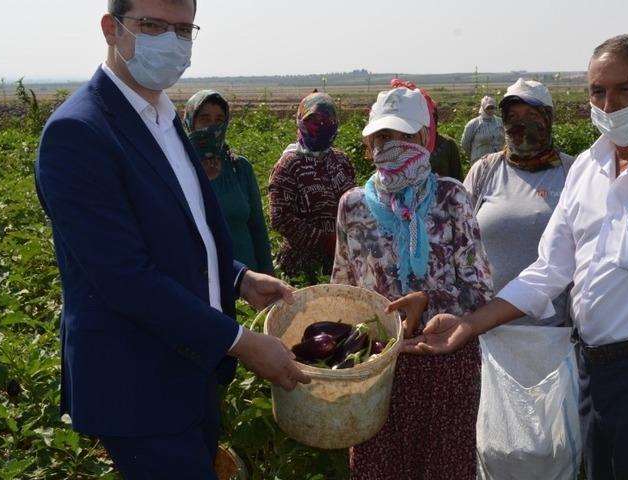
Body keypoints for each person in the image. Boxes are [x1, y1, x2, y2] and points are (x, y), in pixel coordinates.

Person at [404, 34, 628, 480]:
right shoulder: (589, 169)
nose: (609, 104)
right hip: (590, 372)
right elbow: (550, 270)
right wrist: (469, 324)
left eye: (624, 89)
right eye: (597, 91)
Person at [34, 1, 310, 477]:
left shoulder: (162, 115)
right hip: (138, 382)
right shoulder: (78, 132)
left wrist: (238, 278)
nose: (170, 41)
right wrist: (240, 341)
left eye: (183, 29)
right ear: (111, 29)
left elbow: (182, 232)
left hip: (190, 366)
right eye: (152, 25)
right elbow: (124, 278)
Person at [331, 86, 493, 479]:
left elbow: (481, 292)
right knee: (376, 469)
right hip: (379, 366)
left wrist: (429, 300)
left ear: (425, 138)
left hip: (446, 363)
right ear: (369, 142)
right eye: (384, 137)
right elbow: (343, 293)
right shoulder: (352, 205)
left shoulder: (452, 197)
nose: (394, 146)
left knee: (444, 469)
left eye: (405, 137)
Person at [464, 78, 573, 325]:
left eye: (530, 113)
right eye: (512, 114)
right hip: (485, 327)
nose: (519, 122)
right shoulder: (484, 171)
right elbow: (459, 239)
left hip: (553, 330)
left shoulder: (572, 172)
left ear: (547, 117)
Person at [184, 89, 275, 275]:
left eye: (219, 120)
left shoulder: (239, 168)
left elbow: (258, 229)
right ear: (190, 123)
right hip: (202, 281)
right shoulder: (180, 170)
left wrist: (268, 276)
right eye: (204, 119)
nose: (212, 127)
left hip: (249, 283)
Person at [269, 92, 355, 279]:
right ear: (300, 121)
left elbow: (354, 204)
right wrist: (325, 241)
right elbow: (280, 218)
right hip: (303, 265)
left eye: (326, 118)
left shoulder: (341, 160)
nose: (320, 125)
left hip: (341, 259)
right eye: (312, 119)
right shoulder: (290, 164)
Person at [462, 95, 506, 162]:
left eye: (492, 107)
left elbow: (506, 139)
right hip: (479, 161)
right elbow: (465, 144)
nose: (490, 110)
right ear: (482, 108)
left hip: (498, 160)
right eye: (488, 108)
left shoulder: (500, 122)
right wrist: (473, 155)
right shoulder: (473, 124)